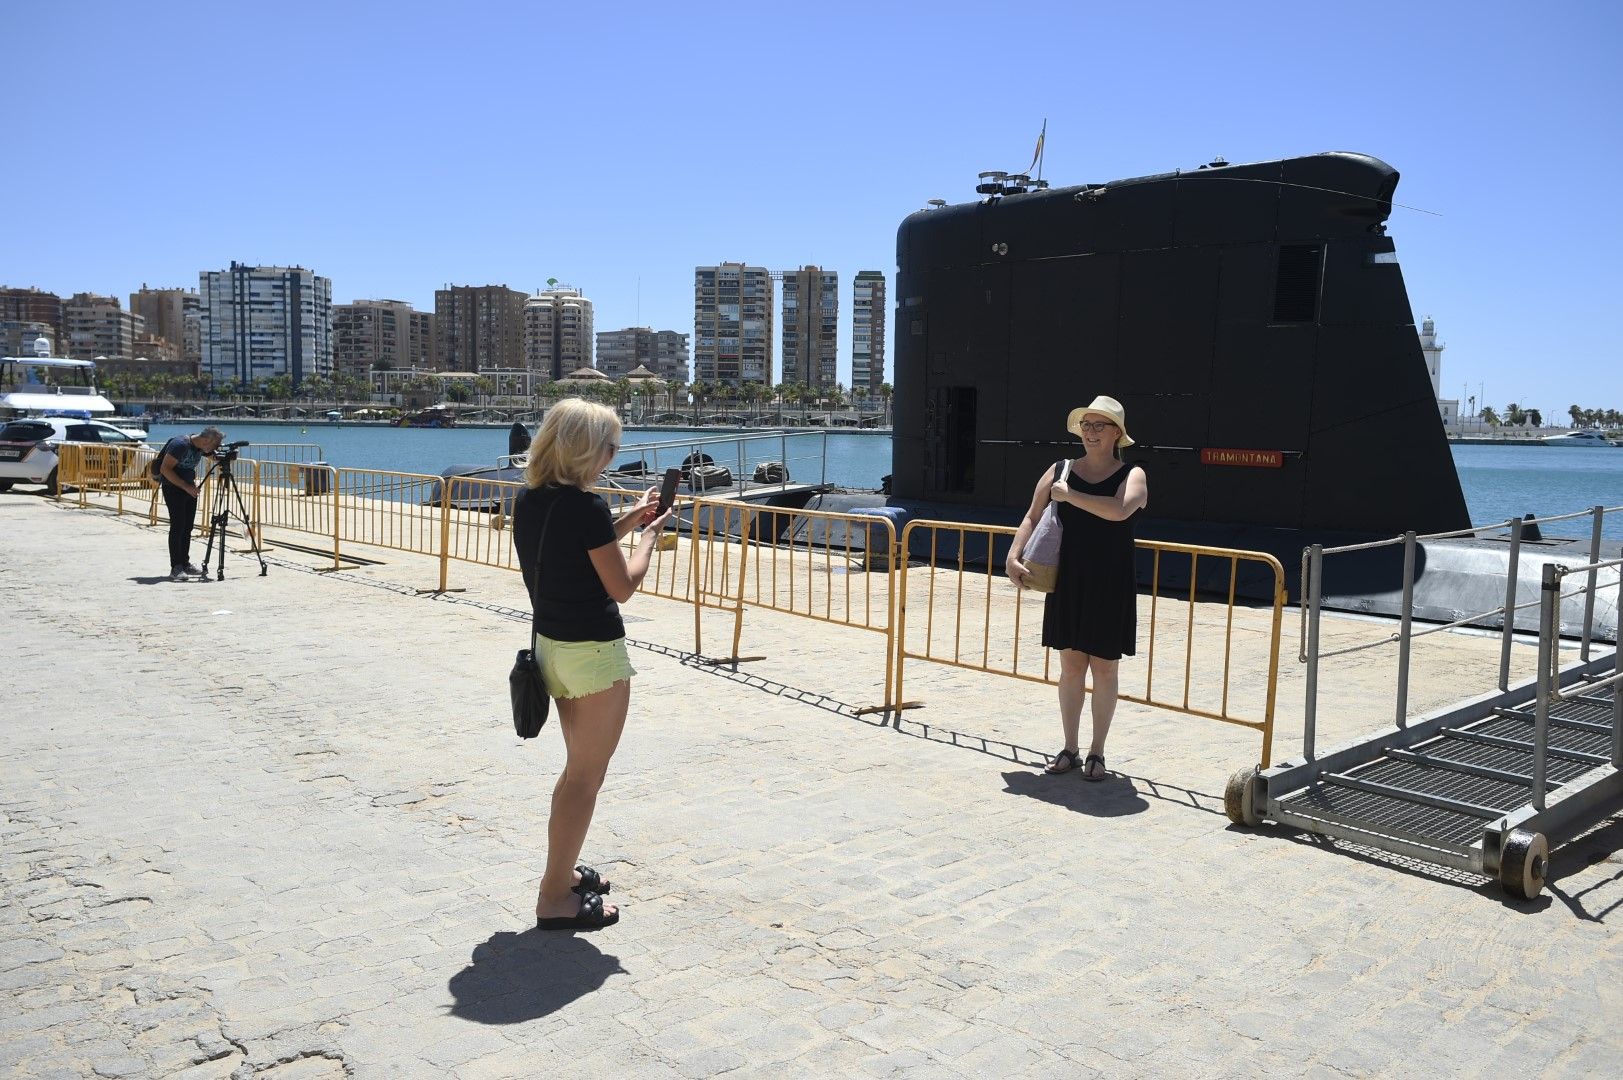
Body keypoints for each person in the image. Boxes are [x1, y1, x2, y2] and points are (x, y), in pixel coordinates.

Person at [512, 398, 671, 931]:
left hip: (552, 648)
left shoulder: (534, 500)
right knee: (585, 778)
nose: (613, 455)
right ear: (587, 449)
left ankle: (563, 873)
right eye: (610, 447)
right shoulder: (585, 508)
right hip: (593, 657)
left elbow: (578, 548)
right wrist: (650, 537)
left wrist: (628, 518)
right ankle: (554, 895)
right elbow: (622, 586)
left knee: (575, 773)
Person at [1005, 396, 1148, 781]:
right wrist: (1013, 554)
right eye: (1087, 425)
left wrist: (1072, 497)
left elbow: (1119, 511)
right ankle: (1070, 746)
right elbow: (1033, 515)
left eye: (1100, 425)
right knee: (1070, 667)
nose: (1091, 432)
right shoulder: (1060, 469)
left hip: (1110, 582)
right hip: (1069, 579)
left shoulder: (1133, 474)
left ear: (1117, 433)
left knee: (1104, 668)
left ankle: (1097, 753)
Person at [156, 426, 225, 581]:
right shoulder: (180, 445)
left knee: (187, 527)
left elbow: (213, 456)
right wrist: (186, 487)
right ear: (207, 440)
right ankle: (176, 567)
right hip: (173, 488)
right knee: (177, 526)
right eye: (215, 445)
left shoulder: (201, 447)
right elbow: (165, 469)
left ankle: (185, 563)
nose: (214, 449)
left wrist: (226, 456)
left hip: (189, 489)